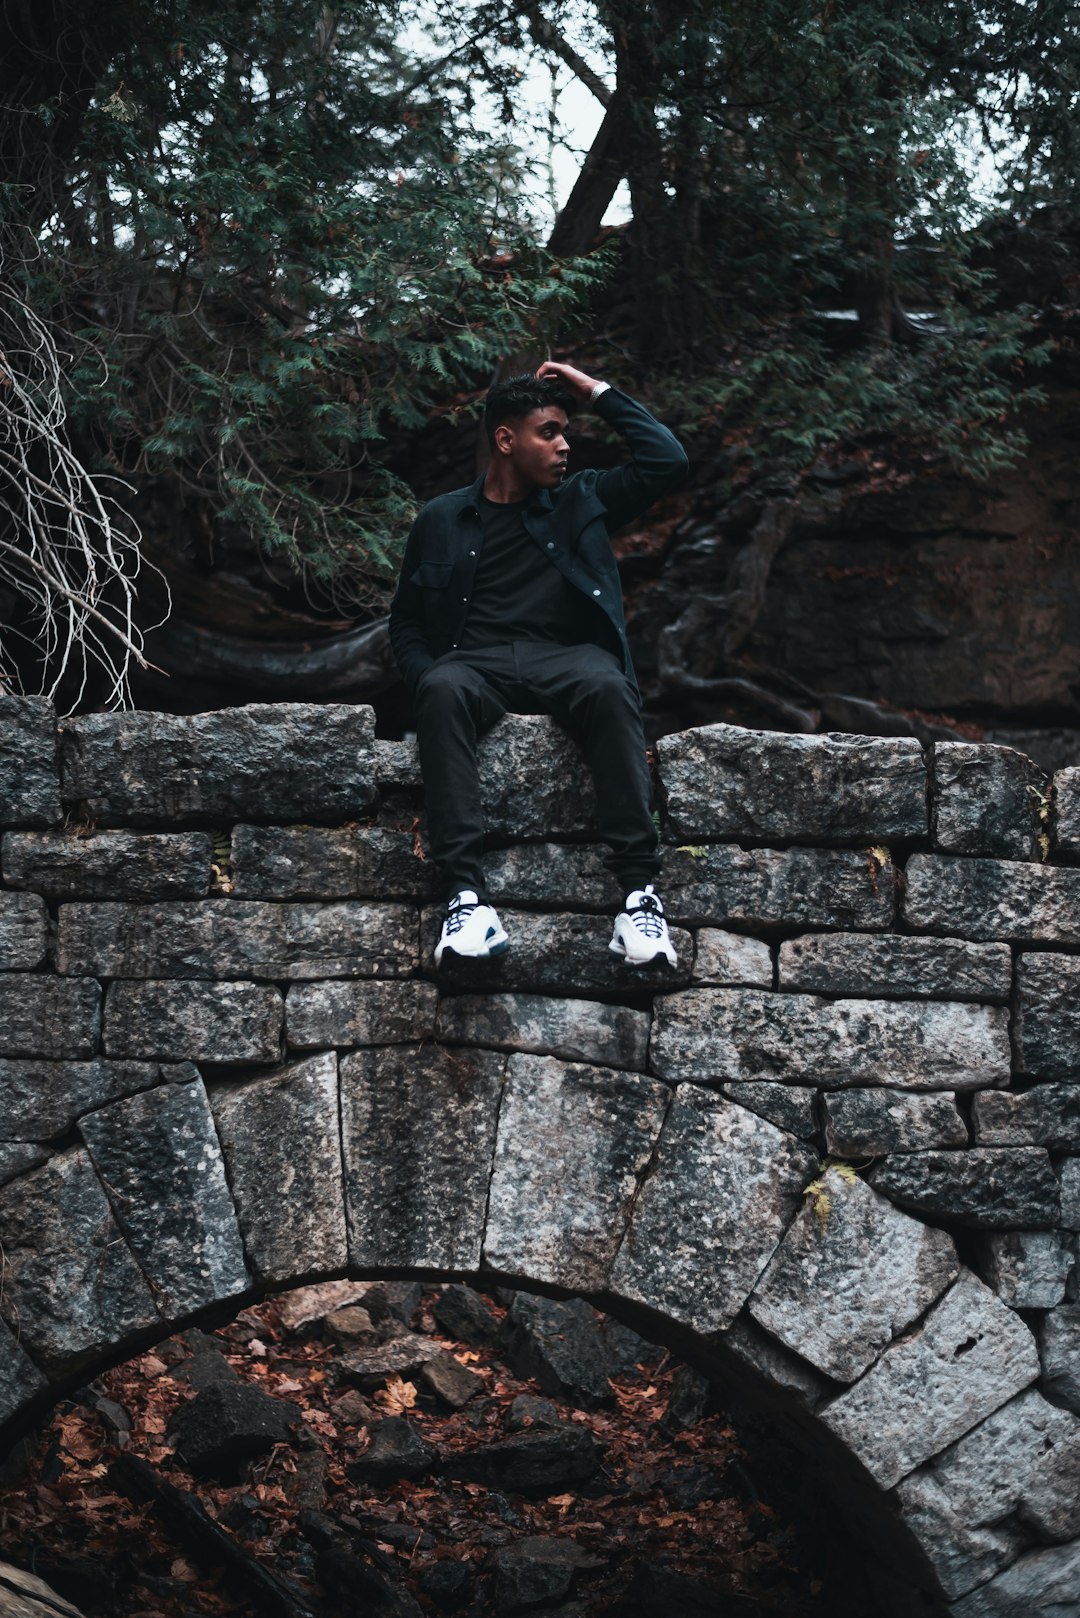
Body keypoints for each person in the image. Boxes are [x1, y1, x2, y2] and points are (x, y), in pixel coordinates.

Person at [388, 359, 689, 967]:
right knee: (442, 690)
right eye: (549, 431)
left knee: (609, 686)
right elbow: (408, 623)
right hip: (475, 664)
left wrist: (597, 392)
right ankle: (467, 903)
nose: (563, 445)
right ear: (505, 439)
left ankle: (638, 901)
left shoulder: (581, 500)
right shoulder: (443, 518)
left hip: (568, 660)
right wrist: (427, 676)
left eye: (565, 431)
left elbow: (668, 462)